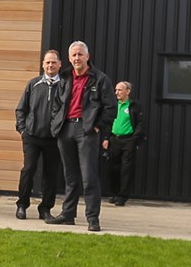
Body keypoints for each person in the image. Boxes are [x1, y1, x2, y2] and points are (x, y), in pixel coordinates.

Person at [47, 40, 117, 232]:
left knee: (89, 177)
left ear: (87, 57)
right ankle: (68, 215)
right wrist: (56, 124)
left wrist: (97, 127)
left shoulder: (100, 79)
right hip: (65, 130)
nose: (77, 58)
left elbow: (111, 108)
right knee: (70, 177)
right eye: (74, 55)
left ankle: (92, 218)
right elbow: (56, 105)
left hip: (86, 131)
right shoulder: (64, 78)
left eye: (80, 54)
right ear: (69, 59)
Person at [14, 50, 62, 220]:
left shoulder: (65, 85)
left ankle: (45, 209)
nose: (50, 65)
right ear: (43, 64)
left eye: (53, 62)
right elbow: (21, 109)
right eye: (47, 62)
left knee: (51, 174)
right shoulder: (33, 84)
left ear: (59, 64)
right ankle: (22, 205)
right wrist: (22, 129)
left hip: (54, 139)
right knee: (28, 169)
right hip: (32, 136)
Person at [103, 81, 145, 206]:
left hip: (128, 140)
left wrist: (134, 138)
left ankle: (123, 196)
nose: (117, 93)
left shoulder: (134, 105)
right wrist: (106, 138)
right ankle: (114, 194)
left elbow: (140, 123)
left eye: (120, 90)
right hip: (114, 139)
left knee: (126, 169)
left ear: (128, 91)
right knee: (113, 168)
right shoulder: (113, 105)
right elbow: (108, 122)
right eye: (116, 90)